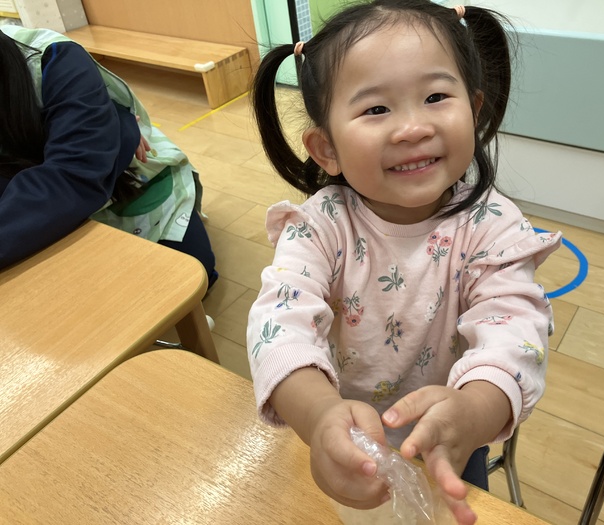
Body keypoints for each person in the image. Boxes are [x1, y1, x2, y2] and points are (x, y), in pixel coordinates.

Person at [246, 1, 561, 523]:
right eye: (376, 109)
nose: (413, 128)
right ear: (326, 149)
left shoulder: (493, 227)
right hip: (347, 435)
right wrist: (319, 415)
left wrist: (473, 412)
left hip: (451, 435)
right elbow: (278, 325)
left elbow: (515, 332)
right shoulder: (318, 226)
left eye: (435, 97)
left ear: (474, 110)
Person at [0, 24, 217, 288]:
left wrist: (120, 130)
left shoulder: (51, 57)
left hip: (126, 180)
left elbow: (75, 173)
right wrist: (122, 128)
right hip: (52, 192)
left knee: (183, 277)